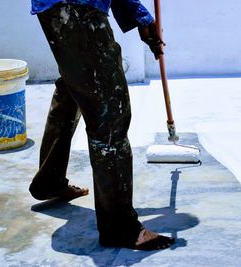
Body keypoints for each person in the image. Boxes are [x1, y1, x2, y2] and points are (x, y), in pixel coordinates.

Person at [28, 0, 175, 250]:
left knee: (74, 87)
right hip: (75, 8)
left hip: (62, 6)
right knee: (110, 112)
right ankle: (120, 228)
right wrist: (140, 15)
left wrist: (139, 17)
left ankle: (49, 181)